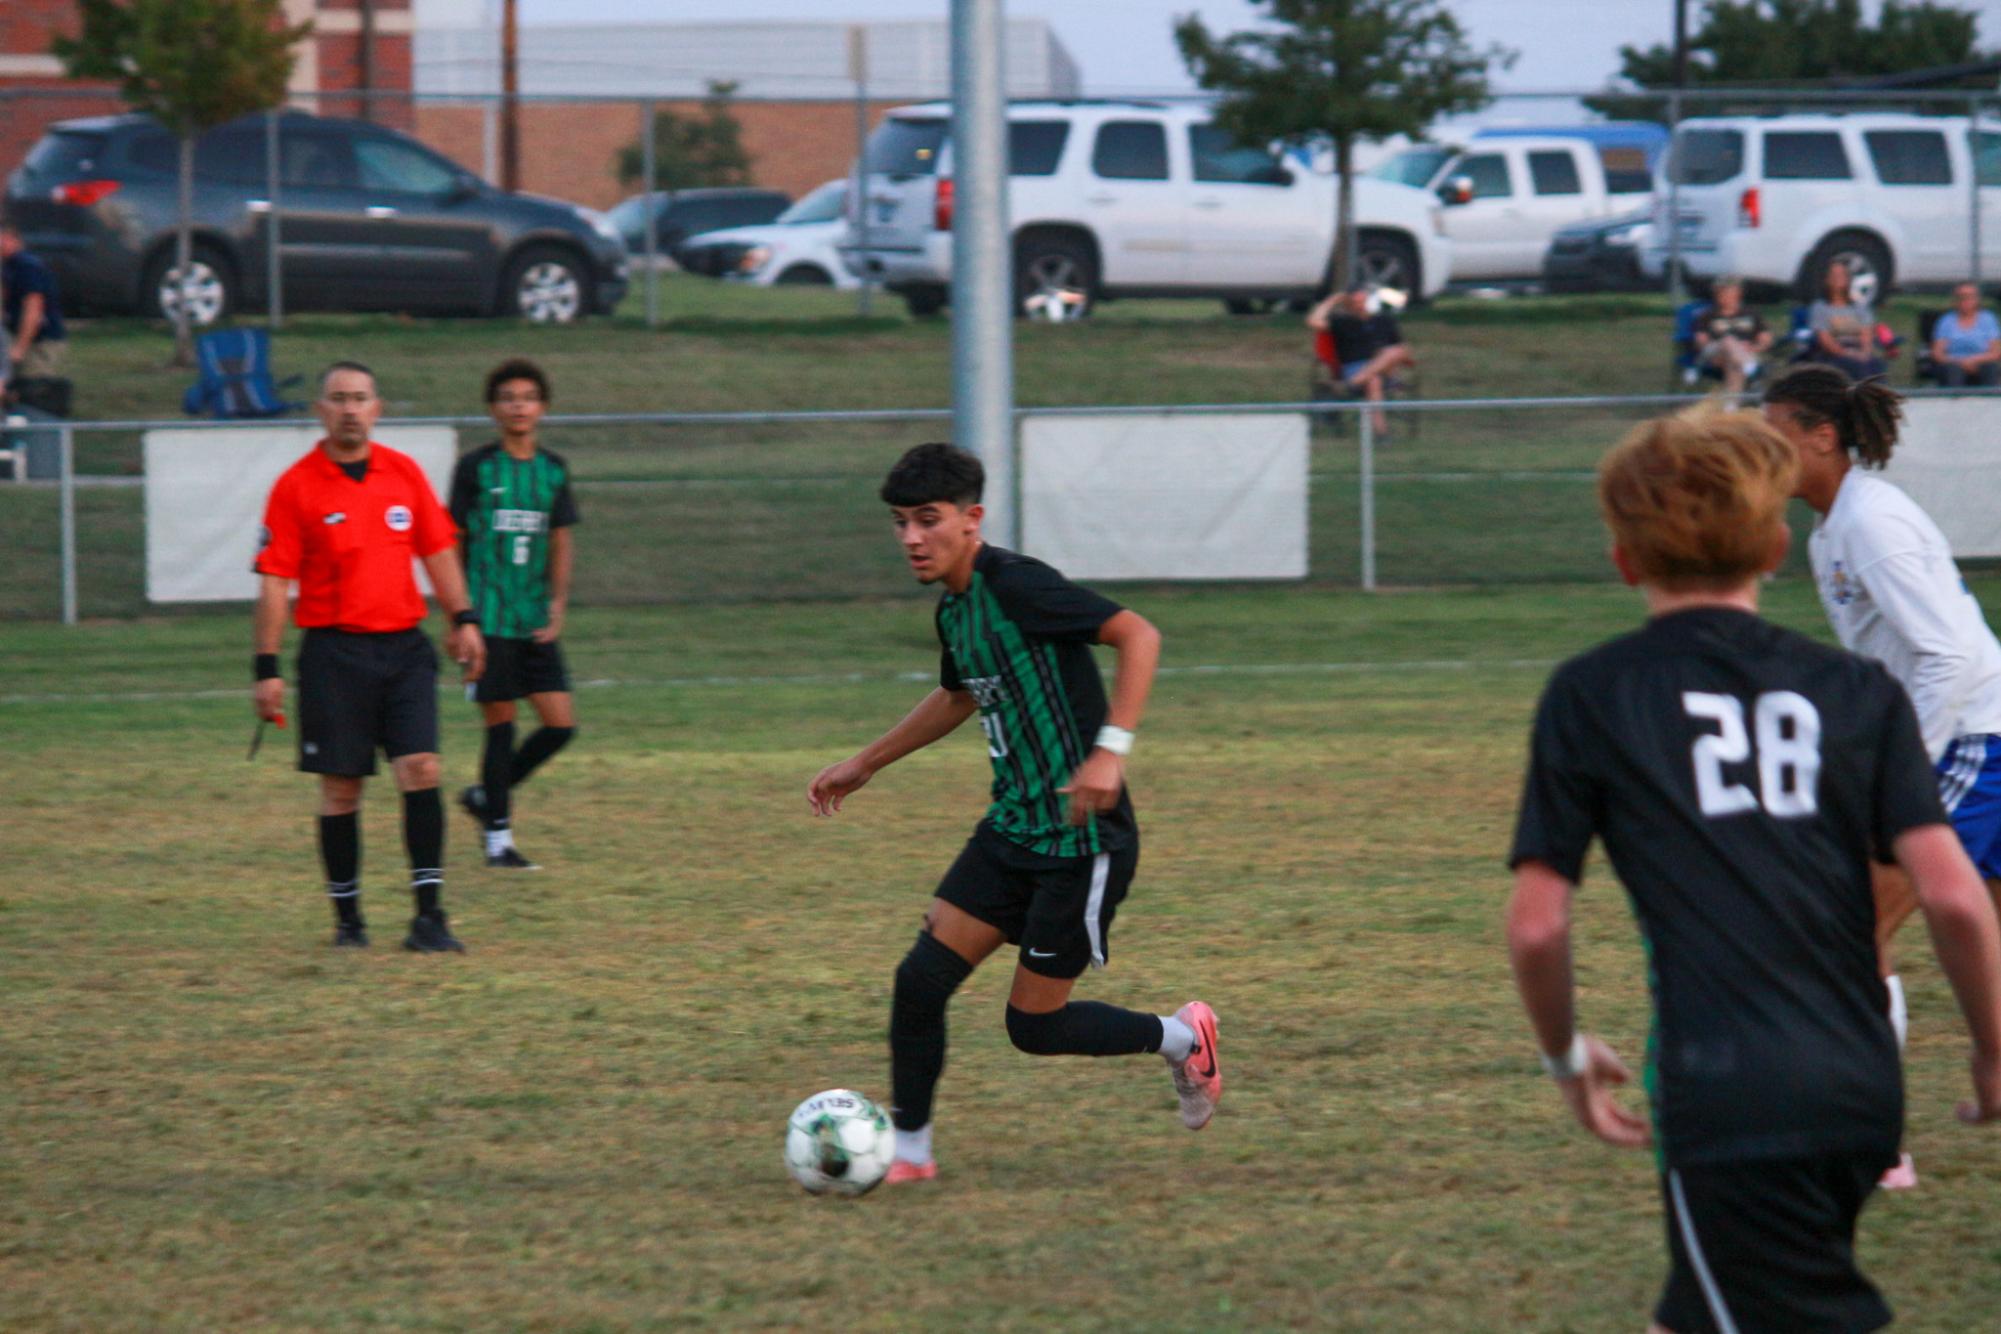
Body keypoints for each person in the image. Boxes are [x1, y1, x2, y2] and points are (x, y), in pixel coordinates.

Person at [1507, 408, 2001, 1334]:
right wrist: (1989, 1046)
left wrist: (1564, 1055)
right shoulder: (1859, 691)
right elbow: (1951, 897)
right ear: (1777, 545)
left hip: (1725, 1082)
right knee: (1711, 1308)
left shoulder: (1593, 691)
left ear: (1622, 560)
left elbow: (1536, 923)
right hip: (1860, 1082)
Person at [806, 443, 1221, 1185]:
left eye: (926, 520)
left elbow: (1138, 634)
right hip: (1009, 832)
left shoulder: (1019, 586)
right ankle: (909, 1156)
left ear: (972, 519)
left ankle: (1181, 1037)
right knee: (919, 983)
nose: (910, 538)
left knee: (1032, 1027)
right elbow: (959, 695)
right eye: (899, 523)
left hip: (1079, 840)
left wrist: (1109, 752)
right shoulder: (955, 611)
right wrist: (865, 761)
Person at [1763, 362, 2001, 1186]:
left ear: (1820, 438)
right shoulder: (1835, 525)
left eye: (1772, 435)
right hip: (1977, 732)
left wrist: (1908, 764)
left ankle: (1874, 1147)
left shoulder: (1868, 523)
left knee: (1853, 930)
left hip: (1972, 738)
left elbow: (1951, 654)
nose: (1760, 451)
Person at [253, 361, 486, 951]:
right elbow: (276, 581)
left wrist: (463, 620)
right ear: (321, 410)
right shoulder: (296, 486)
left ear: (377, 408)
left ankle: (429, 918)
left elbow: (437, 552)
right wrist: (267, 667)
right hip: (334, 654)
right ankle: (349, 923)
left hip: (404, 650)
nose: (350, 409)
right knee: (341, 790)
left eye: (360, 398)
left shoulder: (403, 474)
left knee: (422, 769)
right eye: (338, 399)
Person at [451, 358, 580, 870]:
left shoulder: (552, 470)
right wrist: (458, 616)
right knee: (500, 726)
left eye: (527, 397)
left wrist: (558, 602)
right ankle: (499, 841)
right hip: (488, 621)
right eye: (508, 397)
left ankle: (486, 797)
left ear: (542, 407)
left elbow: (562, 539)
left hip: (532, 619)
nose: (518, 405)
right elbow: (453, 541)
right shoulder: (477, 468)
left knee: (560, 725)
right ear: (493, 408)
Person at [1306, 285, 1415, 436]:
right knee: (1373, 381)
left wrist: (1383, 355)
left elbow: (1404, 353)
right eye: (1355, 303)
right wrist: (1332, 300)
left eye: (1363, 301)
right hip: (1353, 369)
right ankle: (1382, 435)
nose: (1360, 306)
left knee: (1395, 351)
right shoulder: (1341, 322)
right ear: (1348, 305)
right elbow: (1312, 321)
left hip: (1386, 372)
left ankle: (1349, 386)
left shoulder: (1384, 320)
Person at [0, 220, 66, 383]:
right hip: (21, 337)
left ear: (10, 238)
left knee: (33, 387)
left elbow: (33, 310)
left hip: (40, 341)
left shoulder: (27, 266)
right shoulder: (10, 266)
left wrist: (20, 348)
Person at [1806, 260, 1886, 380]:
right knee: (1856, 367)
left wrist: (1864, 352)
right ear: (1826, 280)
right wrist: (1847, 353)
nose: (1838, 279)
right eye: (1834, 275)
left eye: (1842, 275)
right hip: (1833, 354)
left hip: (1858, 349)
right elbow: (1825, 339)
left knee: (1873, 365)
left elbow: (1867, 334)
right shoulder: (1820, 308)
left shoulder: (1859, 307)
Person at [1689, 277, 1771, 394]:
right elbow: (1701, 342)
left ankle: (1730, 407)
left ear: (1738, 294)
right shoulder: (1707, 316)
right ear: (1716, 295)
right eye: (1722, 293)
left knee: (1734, 363)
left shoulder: (1752, 314)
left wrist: (1752, 348)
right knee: (1728, 340)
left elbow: (1766, 340)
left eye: (1730, 293)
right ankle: (1752, 370)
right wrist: (1724, 350)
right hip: (1715, 353)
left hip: (1746, 353)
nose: (1726, 297)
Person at [1928, 282, 2001, 387]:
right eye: (1961, 297)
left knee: (1990, 368)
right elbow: (1937, 354)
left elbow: (1996, 352)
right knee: (1953, 371)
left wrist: (1973, 360)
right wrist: (1960, 362)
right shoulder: (1946, 321)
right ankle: (1954, 401)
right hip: (1953, 364)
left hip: (1982, 362)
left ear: (1977, 299)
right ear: (1955, 300)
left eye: (1969, 297)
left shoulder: (1988, 319)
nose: (1965, 301)